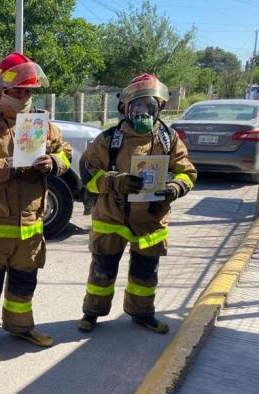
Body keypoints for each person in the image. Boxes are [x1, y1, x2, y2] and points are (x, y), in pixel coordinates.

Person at [0, 53, 73, 361]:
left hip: (30, 226)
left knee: (25, 283)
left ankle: (20, 327)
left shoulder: (41, 125)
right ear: (0, 91)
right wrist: (11, 165)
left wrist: (53, 162)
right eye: (18, 91)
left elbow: (64, 153)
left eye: (29, 91)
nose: (25, 97)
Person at [77, 73, 197, 334]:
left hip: (151, 221)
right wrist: (114, 182)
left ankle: (142, 314)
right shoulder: (109, 139)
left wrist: (174, 188)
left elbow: (187, 172)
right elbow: (88, 174)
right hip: (112, 218)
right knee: (102, 271)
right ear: (127, 109)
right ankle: (92, 313)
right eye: (138, 107)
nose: (143, 113)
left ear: (158, 108)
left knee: (145, 274)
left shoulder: (169, 139)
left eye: (149, 107)